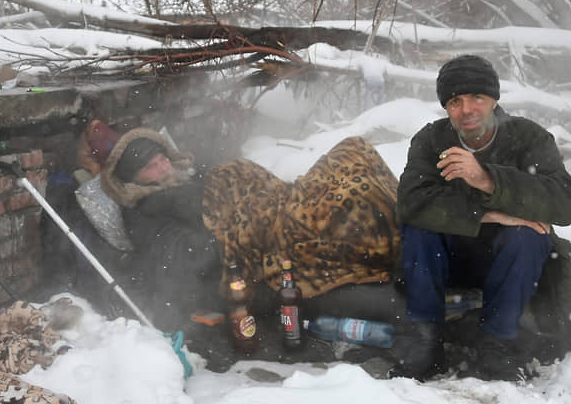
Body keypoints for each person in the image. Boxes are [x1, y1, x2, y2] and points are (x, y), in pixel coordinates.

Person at [96, 127, 401, 340]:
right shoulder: (147, 213)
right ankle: (395, 239)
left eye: (163, 157)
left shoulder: (184, 182)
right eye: (151, 166)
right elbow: (187, 256)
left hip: (280, 203)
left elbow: (238, 182)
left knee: (353, 151)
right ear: (133, 180)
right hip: (267, 234)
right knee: (345, 200)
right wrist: (237, 226)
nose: (163, 166)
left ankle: (402, 220)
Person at [389, 54, 571, 381]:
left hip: (511, 262)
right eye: (455, 101)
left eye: (477, 97)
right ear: (446, 108)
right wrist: (492, 213)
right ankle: (426, 341)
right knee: (419, 225)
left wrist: (487, 179)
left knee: (530, 233)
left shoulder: (528, 137)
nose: (467, 110)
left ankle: (497, 343)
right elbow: (411, 202)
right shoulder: (432, 141)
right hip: (450, 259)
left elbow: (565, 203)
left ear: (493, 99)